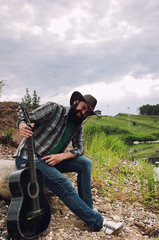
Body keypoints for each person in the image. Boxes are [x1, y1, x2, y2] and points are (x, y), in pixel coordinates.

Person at [13, 91, 124, 235]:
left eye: (87, 112)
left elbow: (80, 148)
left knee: (85, 163)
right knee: (64, 184)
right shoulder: (53, 109)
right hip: (30, 158)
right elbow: (27, 118)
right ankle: (98, 223)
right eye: (83, 108)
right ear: (75, 102)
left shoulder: (78, 125)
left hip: (51, 160)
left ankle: (87, 209)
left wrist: (62, 156)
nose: (83, 113)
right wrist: (22, 124)